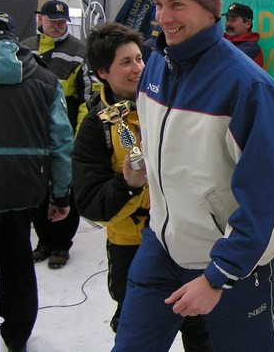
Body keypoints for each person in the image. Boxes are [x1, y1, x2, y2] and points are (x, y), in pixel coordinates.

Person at [113, 0, 274, 352]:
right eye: (158, 4)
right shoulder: (156, 63)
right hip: (161, 244)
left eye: (177, 4)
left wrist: (219, 275)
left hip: (230, 263)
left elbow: (265, 199)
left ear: (210, 7)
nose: (163, 18)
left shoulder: (250, 87)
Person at [72, 22, 211, 350]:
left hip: (188, 241)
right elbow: (90, 203)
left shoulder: (172, 103)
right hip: (133, 249)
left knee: (202, 333)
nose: (138, 69)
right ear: (103, 72)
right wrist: (127, 184)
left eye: (139, 59)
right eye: (126, 62)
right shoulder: (97, 127)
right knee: (139, 337)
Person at [0, 11, 73, 352]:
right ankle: (17, 336)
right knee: (17, 265)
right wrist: (60, 195)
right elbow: (62, 141)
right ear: (16, 38)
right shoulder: (45, 78)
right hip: (25, 190)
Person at [24, 0, 98, 269]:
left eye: (62, 21)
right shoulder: (26, 48)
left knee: (66, 187)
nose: (57, 26)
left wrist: (79, 135)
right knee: (38, 189)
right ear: (40, 20)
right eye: (52, 21)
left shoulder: (81, 50)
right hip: (33, 131)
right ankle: (43, 241)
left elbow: (89, 96)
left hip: (66, 128)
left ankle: (61, 245)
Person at [223, 2, 264, 67]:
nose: (228, 24)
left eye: (233, 20)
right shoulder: (221, 40)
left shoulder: (252, 49)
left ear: (248, 24)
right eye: (227, 19)